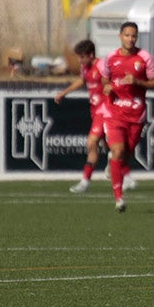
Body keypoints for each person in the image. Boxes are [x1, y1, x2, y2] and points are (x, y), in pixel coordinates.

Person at [101, 21, 154, 212]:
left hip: (136, 115)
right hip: (114, 113)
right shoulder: (110, 58)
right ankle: (119, 198)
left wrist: (138, 81)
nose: (130, 39)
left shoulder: (144, 57)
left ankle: (114, 163)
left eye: (133, 36)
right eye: (127, 35)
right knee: (118, 152)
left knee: (126, 155)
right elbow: (104, 78)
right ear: (120, 36)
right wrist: (106, 86)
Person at [55, 39, 111, 194]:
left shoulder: (100, 66)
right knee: (107, 145)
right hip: (95, 111)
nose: (79, 60)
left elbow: (109, 83)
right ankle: (114, 162)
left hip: (104, 110)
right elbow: (82, 81)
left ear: (91, 55)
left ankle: (85, 182)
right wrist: (63, 93)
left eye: (82, 57)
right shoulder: (85, 67)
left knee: (91, 142)